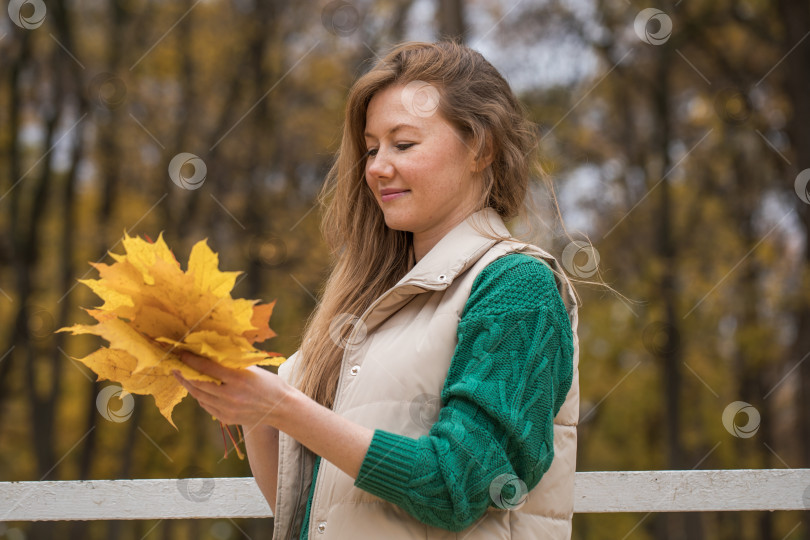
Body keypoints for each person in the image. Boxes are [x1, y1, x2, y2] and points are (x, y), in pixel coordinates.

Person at [174, 40, 580, 539]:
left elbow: (463, 486)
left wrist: (282, 406)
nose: (376, 167)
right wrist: (248, 405)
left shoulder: (517, 287)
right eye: (371, 148)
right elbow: (307, 506)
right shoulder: (366, 306)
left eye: (403, 144)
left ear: (481, 147)